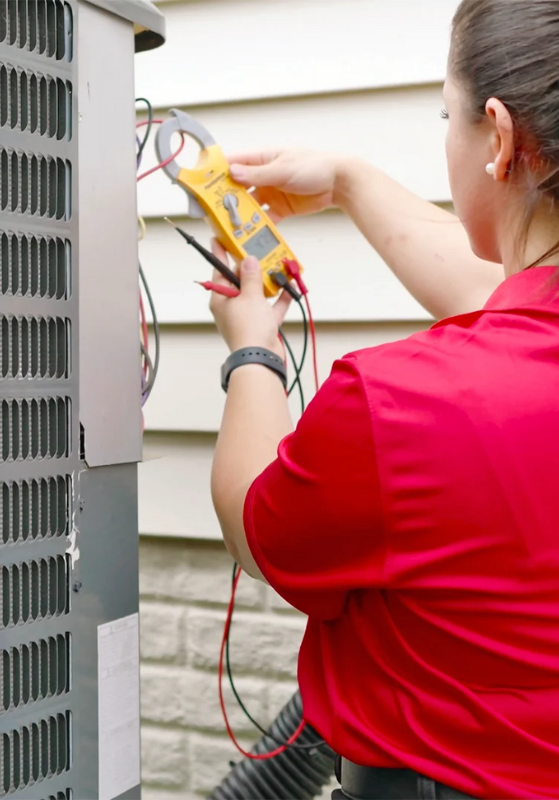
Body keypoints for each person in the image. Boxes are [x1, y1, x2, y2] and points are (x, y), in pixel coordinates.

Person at [208, 1, 559, 797]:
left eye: (448, 113)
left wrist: (253, 353)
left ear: (498, 137)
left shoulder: (398, 402)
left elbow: (258, 531)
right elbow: (502, 293)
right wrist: (346, 180)